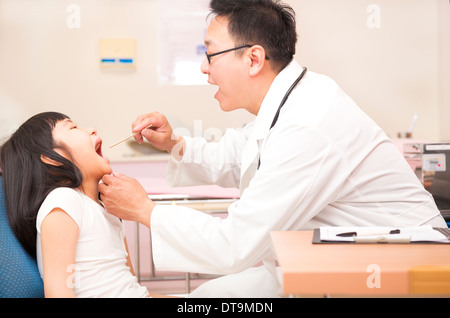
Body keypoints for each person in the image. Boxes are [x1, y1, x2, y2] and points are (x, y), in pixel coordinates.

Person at [99, 0, 447, 297]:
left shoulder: (309, 123)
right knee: (204, 297)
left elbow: (234, 245)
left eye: (209, 54)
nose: (204, 68)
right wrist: (173, 144)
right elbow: (237, 156)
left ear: (253, 59)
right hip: (333, 259)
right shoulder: (288, 104)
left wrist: (145, 210)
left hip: (401, 270)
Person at [0, 112, 165, 298]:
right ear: (52, 157)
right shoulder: (64, 200)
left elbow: (132, 289)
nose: (91, 129)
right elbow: (58, 294)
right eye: (73, 127)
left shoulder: (108, 210)